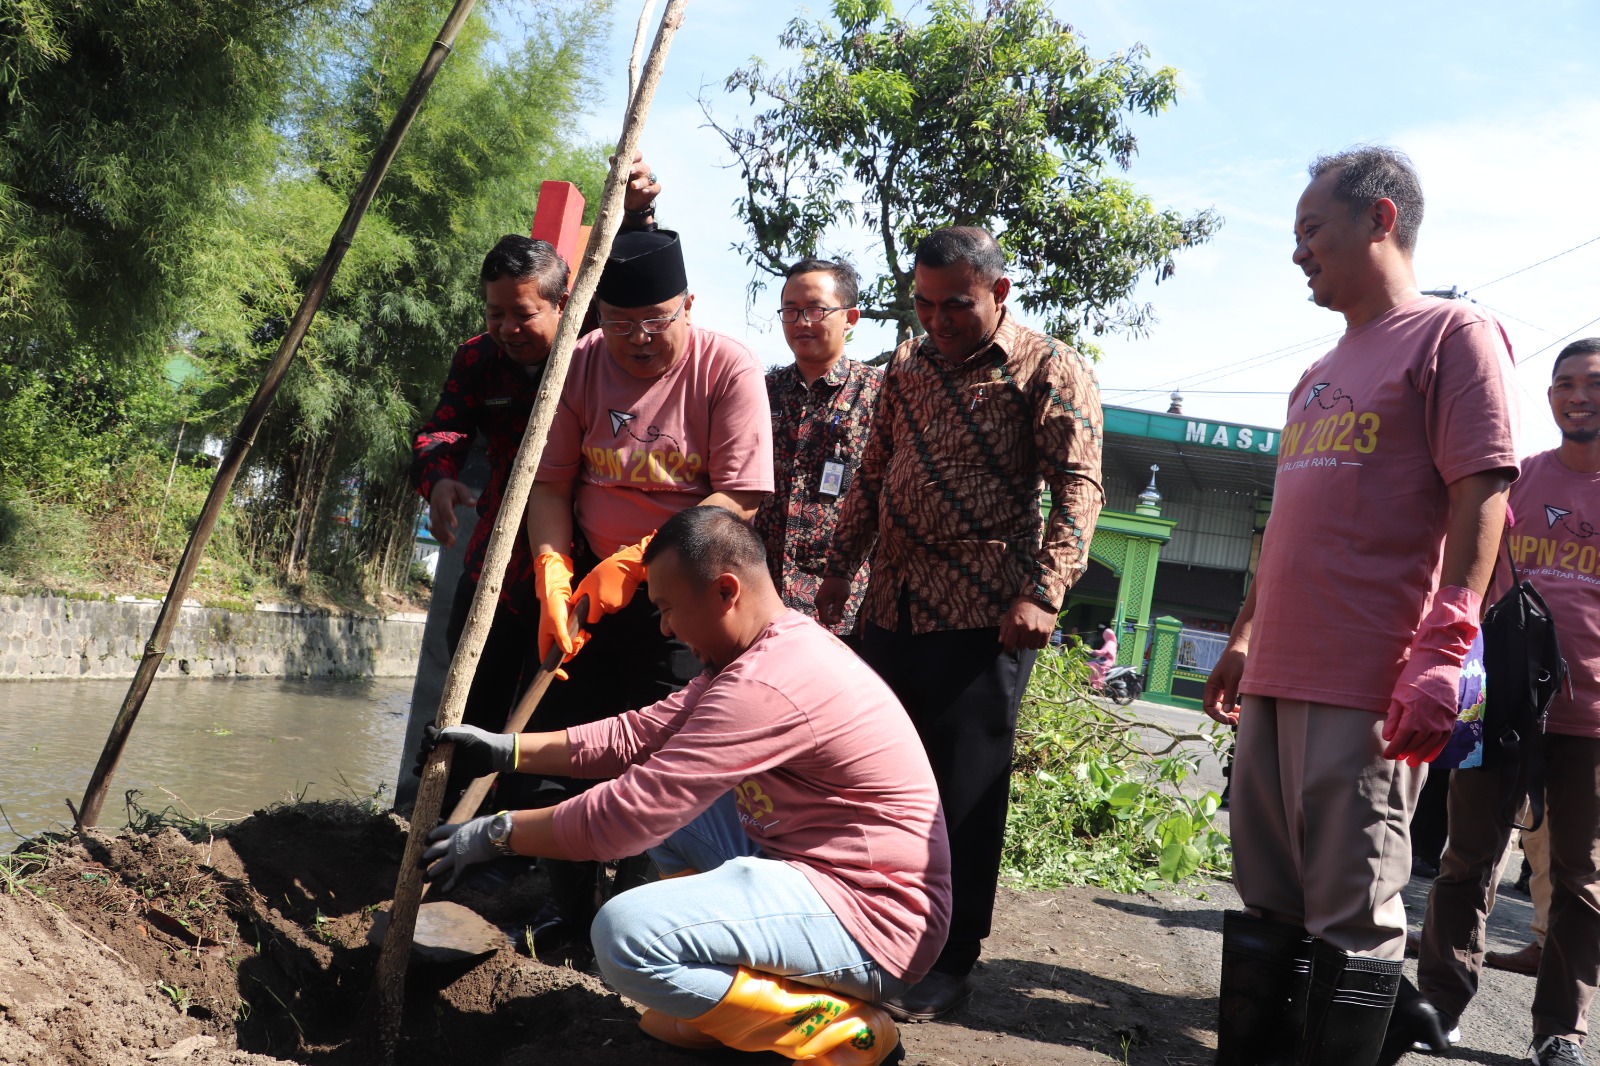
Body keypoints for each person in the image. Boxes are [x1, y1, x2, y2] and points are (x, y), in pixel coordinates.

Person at [421, 506, 950, 1065]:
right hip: (817, 871)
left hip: (876, 923)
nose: (667, 628)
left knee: (627, 939)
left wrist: (495, 833)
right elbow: (637, 737)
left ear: (726, 591)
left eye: (669, 608)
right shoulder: (762, 648)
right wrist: (508, 751)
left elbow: (624, 818)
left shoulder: (768, 681)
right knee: (680, 820)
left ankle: (843, 1031)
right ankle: (737, 988)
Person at [1203, 146, 1519, 1066]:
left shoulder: (1452, 336)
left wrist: (1446, 644)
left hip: (1365, 679)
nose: (1298, 253)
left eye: (1312, 231)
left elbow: (1482, 492)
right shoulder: (1315, 375)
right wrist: (1243, 637)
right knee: (1268, 898)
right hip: (1277, 672)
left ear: (1380, 218)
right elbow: (1292, 521)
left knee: (1352, 914)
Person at [818, 226, 1104, 1021]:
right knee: (876, 785)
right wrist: (839, 579)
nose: (937, 319)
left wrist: (1045, 594)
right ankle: (873, 933)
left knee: (961, 796)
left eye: (956, 305)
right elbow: (872, 476)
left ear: (999, 293)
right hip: (892, 607)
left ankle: (950, 958)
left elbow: (1079, 488)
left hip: (985, 615)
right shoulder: (906, 365)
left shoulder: (1049, 367)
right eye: (923, 303)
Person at [521, 224, 774, 944]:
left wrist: (637, 562)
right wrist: (552, 565)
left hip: (686, 599)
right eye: (619, 323)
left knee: (661, 759)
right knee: (567, 740)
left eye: (655, 322)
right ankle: (564, 906)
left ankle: (632, 915)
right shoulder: (580, 363)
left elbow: (741, 497)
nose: (636, 339)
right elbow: (552, 484)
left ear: (688, 305)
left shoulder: (728, 369)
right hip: (589, 594)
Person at [410, 156, 661, 810]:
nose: (507, 329)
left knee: (556, 711)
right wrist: (437, 480)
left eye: (522, 315)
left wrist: (638, 213)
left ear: (562, 304)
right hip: (496, 557)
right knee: (470, 697)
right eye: (495, 313)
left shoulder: (597, 352)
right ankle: (436, 828)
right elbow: (440, 431)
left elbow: (640, 284)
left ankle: (526, 848)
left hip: (581, 568)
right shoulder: (477, 357)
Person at [1404, 339, 1600, 1066]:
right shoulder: (1514, 481)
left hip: (1590, 720)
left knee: (1579, 881)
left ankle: (1559, 1032)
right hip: (1496, 708)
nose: (1578, 394)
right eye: (1565, 383)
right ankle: (1437, 1007)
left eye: (1595, 383)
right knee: (1464, 863)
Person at [752, 258, 881, 638]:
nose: (801, 322)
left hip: (845, 603)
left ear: (850, 317)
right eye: (790, 310)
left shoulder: (880, 392)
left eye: (815, 310)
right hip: (763, 598)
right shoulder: (759, 391)